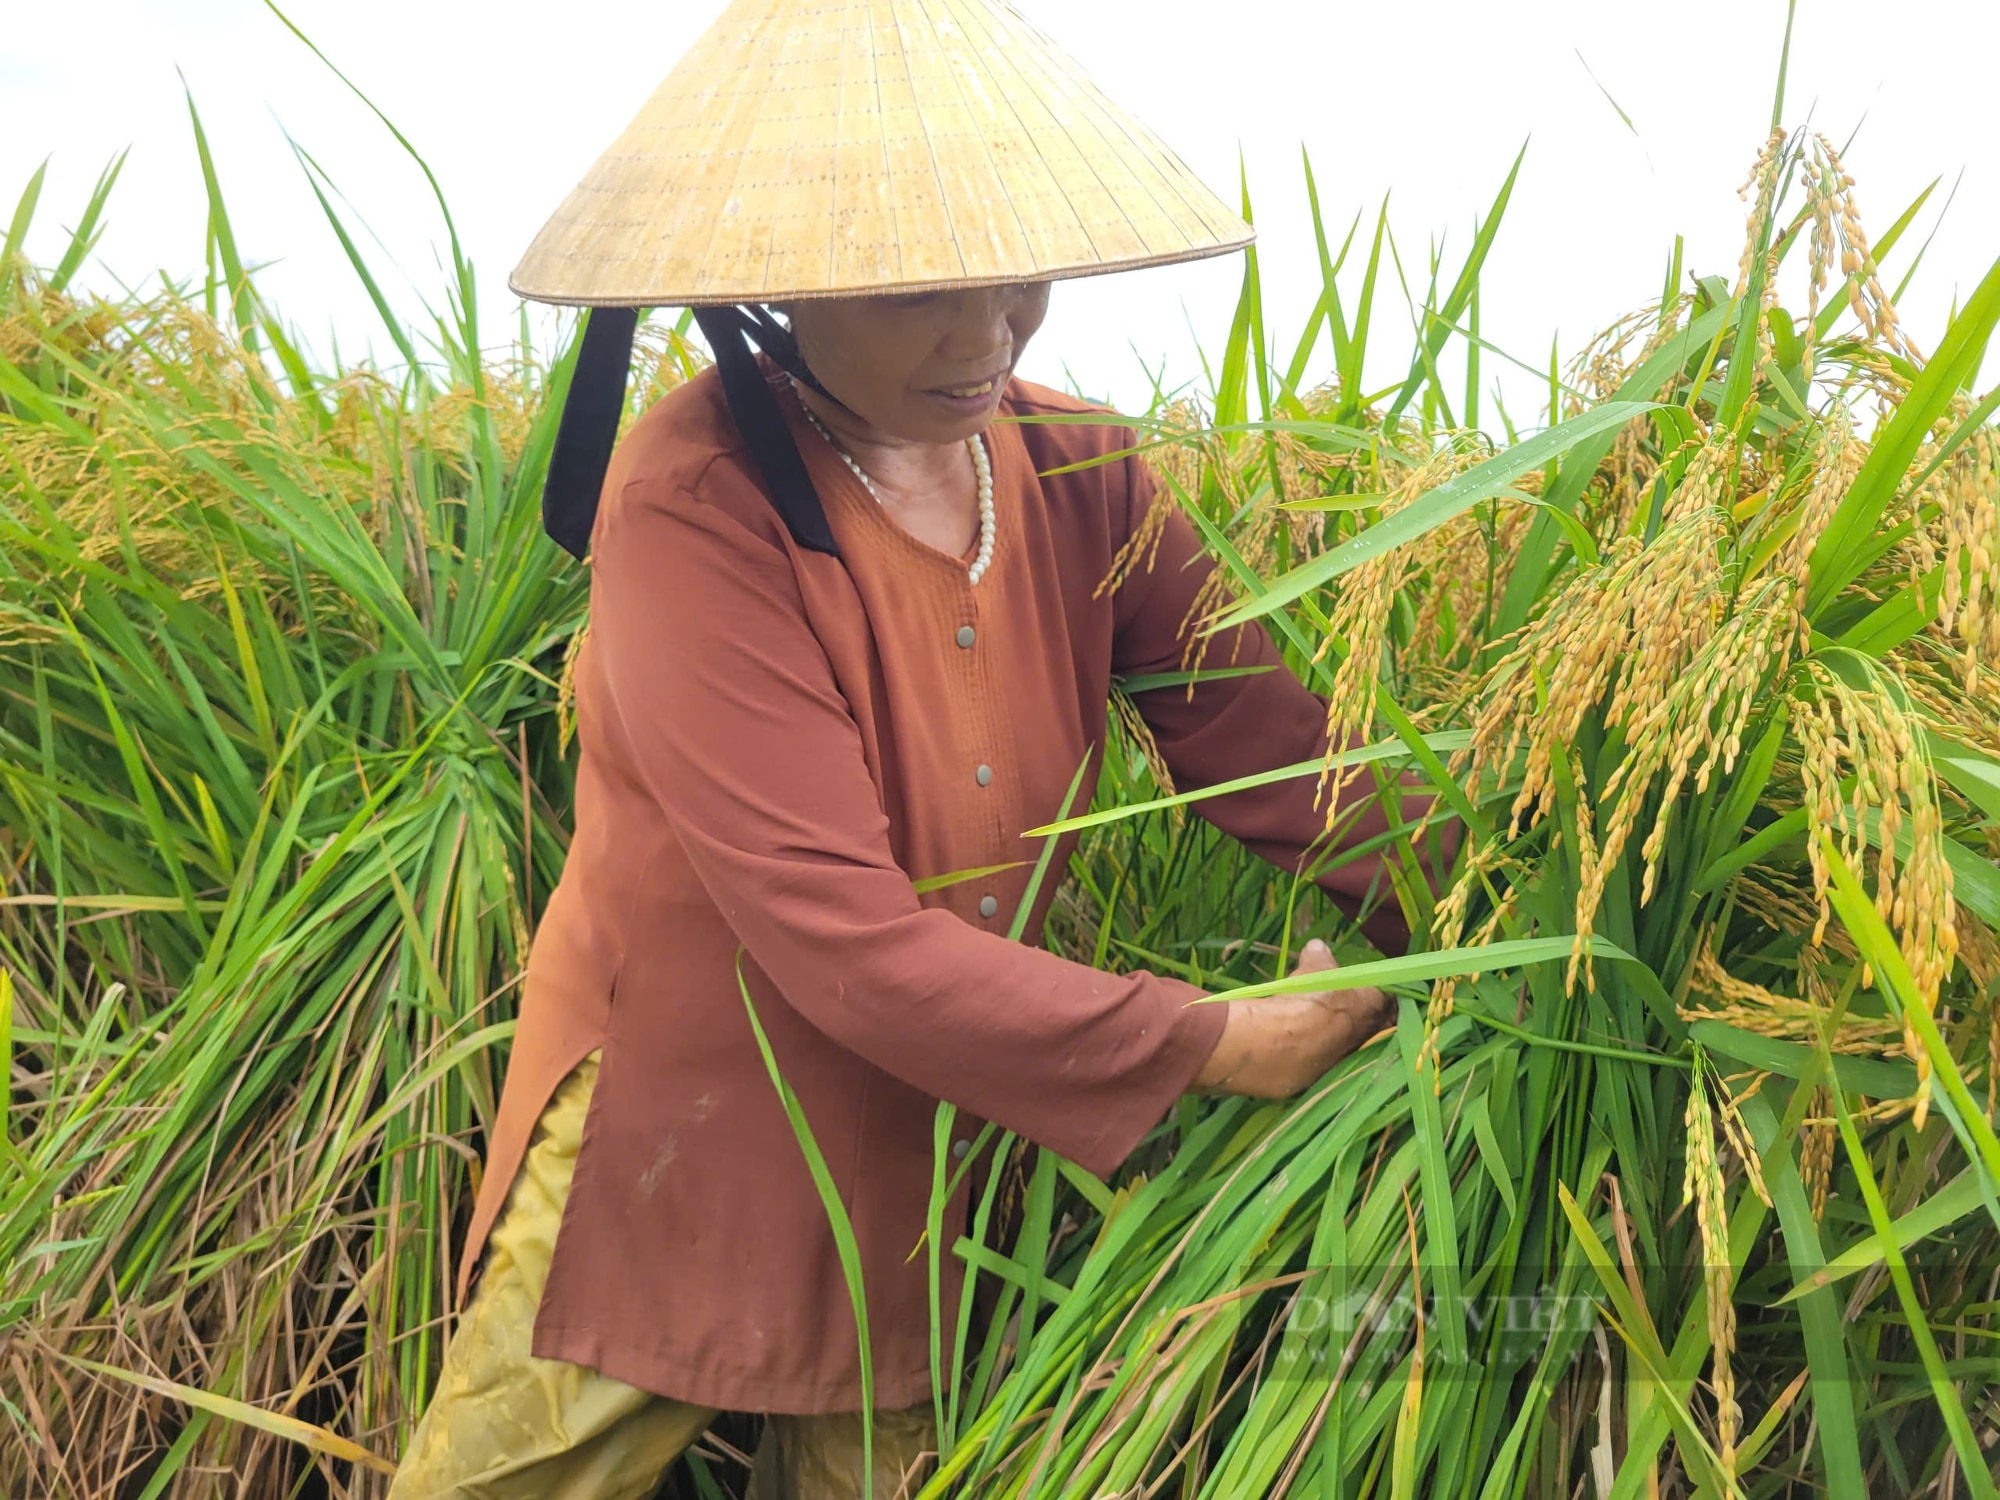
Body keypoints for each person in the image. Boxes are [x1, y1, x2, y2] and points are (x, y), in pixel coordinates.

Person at [390, 2, 1432, 1495]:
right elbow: (842, 937)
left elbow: (1272, 751)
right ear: (788, 280)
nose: (986, 334)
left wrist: (1490, 913)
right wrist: (1212, 1040)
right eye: (919, 294)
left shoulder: (1079, 469)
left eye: (1019, 278)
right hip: (690, 1113)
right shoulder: (700, 503)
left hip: (961, 1117)